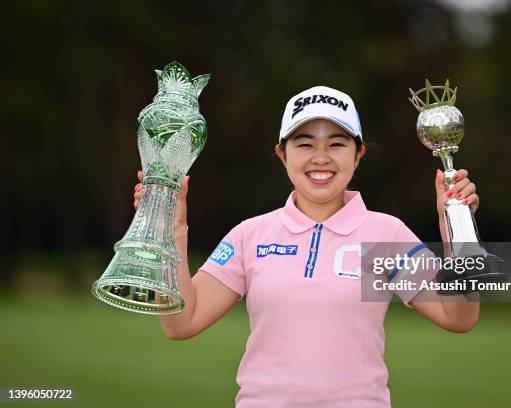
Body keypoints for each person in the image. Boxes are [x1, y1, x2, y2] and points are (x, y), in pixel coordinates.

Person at [133, 85, 480, 407]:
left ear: (357, 155)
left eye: (336, 143)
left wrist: (455, 226)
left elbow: (458, 316)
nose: (320, 157)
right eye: (304, 143)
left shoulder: (385, 234)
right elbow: (181, 324)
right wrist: (172, 228)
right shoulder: (250, 235)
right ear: (282, 154)